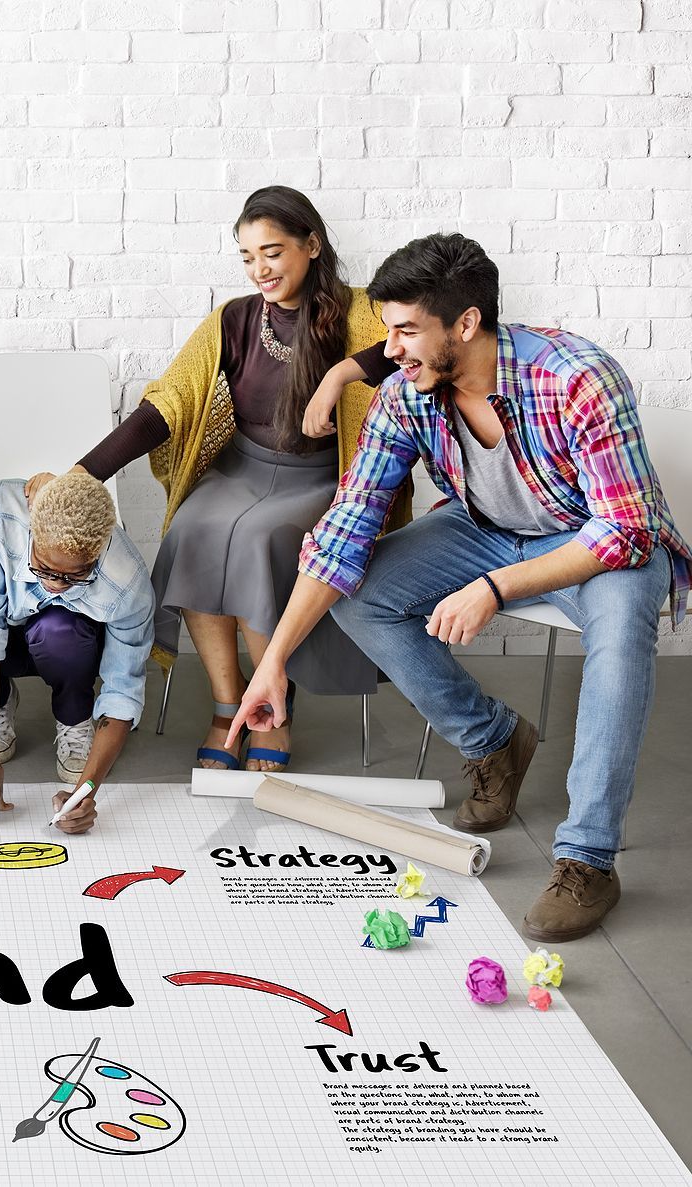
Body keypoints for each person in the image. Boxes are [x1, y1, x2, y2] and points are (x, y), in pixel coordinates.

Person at [229, 232, 690, 943]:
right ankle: (494, 741)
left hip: (593, 540)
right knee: (358, 588)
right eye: (388, 329)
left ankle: (588, 859)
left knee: (626, 629)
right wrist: (272, 664)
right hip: (485, 528)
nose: (392, 348)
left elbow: (625, 528)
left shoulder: (577, 377)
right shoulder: (407, 392)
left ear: (466, 324)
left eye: (408, 329)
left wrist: (497, 589)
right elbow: (345, 530)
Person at [27, 186, 406, 775]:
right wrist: (82, 475)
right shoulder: (234, 319)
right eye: (248, 256)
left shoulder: (361, 311)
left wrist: (339, 376)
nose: (260, 269)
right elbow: (169, 403)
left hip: (323, 479)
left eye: (272, 252)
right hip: (243, 467)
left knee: (258, 539)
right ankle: (230, 707)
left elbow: (414, 339)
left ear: (312, 245)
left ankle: (271, 709)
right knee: (194, 528)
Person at [0, 473, 154, 833]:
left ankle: (75, 716)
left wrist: (85, 793)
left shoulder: (128, 583)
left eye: (75, 577)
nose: (55, 585)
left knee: (58, 629)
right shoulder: (0, 511)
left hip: (69, 646)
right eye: (43, 568)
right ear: (32, 532)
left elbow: (122, 692)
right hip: (7, 628)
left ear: (99, 550)